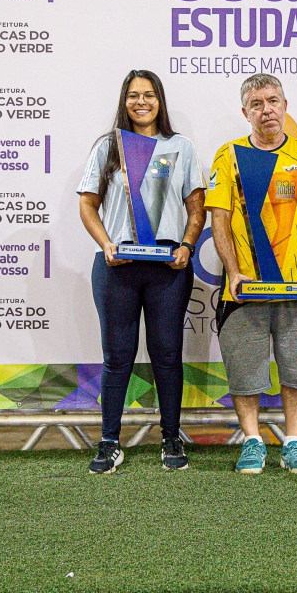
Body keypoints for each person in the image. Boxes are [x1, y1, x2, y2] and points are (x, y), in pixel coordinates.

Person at [205, 73, 297, 475]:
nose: (266, 110)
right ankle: (252, 441)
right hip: (244, 290)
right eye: (256, 104)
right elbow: (219, 219)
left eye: (273, 101)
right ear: (246, 113)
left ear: (285, 106)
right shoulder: (228, 155)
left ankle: (293, 442)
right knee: (245, 372)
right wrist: (233, 271)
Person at [78, 70, 205, 473]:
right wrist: (106, 243)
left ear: (159, 100)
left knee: (167, 354)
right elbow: (87, 204)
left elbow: (196, 207)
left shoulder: (180, 147)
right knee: (117, 356)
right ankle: (109, 442)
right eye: (133, 96)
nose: (141, 102)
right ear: (124, 101)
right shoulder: (107, 147)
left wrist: (187, 246)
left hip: (167, 265)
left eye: (149, 95)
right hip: (117, 265)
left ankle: (171, 437)